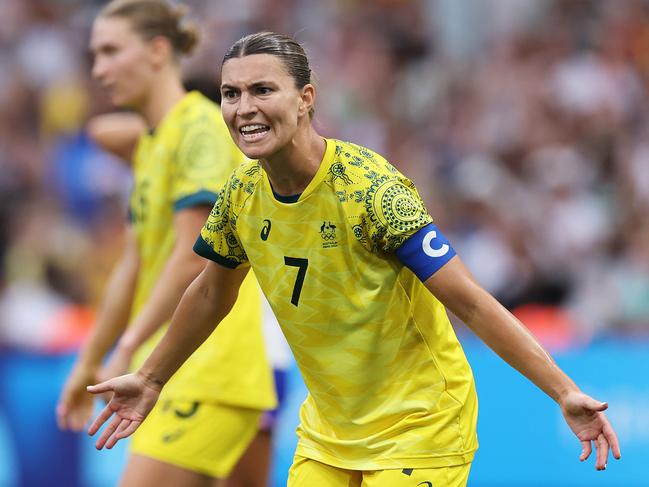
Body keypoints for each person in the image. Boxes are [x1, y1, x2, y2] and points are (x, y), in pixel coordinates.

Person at [85, 31, 621, 487]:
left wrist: (564, 391)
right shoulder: (242, 195)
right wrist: (152, 377)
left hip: (420, 426)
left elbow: (473, 303)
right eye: (231, 93)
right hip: (329, 432)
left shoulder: (371, 189)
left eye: (262, 90)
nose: (243, 107)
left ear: (305, 98)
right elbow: (209, 292)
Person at [56, 5, 276, 487]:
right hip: (185, 371)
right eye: (94, 56)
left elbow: (192, 256)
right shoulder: (154, 144)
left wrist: (127, 346)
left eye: (111, 51)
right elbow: (135, 265)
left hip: (207, 369)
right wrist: (91, 359)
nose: (99, 70)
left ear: (158, 51)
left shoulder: (200, 129)